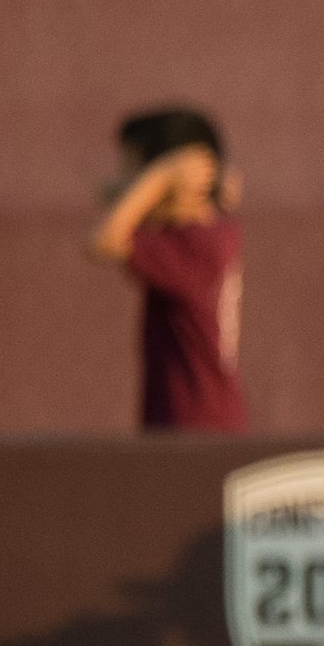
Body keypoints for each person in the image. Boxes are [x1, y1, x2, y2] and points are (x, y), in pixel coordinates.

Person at [86, 105, 245, 432]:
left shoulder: (196, 246)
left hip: (193, 423)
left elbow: (104, 241)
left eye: (134, 174)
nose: (130, 188)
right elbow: (106, 192)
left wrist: (160, 177)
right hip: (192, 420)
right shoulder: (212, 233)